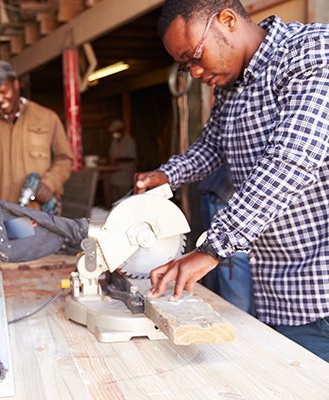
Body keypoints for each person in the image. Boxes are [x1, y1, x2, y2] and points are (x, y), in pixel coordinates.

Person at [135, 0, 329, 361]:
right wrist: (167, 174)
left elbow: (291, 160)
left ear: (226, 20)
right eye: (184, 66)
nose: (193, 72)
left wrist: (212, 248)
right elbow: (213, 147)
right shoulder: (231, 87)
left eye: (194, 56)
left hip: (319, 293)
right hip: (273, 287)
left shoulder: (311, 52)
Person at [0, 60, 74, 209]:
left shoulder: (47, 118)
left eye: (3, 92)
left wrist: (49, 184)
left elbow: (65, 158)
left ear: (16, 84)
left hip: (42, 213)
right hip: (7, 214)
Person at [199, 165, 254, 315]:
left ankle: (239, 323)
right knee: (230, 260)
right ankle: (237, 323)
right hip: (226, 195)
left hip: (229, 196)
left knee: (230, 259)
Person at [108, 119, 137, 202]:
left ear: (122, 130)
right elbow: (111, 155)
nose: (114, 133)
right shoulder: (114, 142)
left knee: (124, 200)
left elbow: (132, 157)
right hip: (114, 176)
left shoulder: (129, 141)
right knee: (114, 199)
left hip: (125, 176)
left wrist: (119, 160)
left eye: (116, 131)